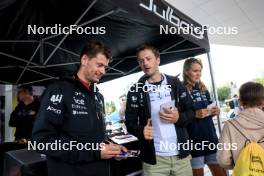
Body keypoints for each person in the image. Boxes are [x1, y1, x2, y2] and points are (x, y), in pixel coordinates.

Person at [32, 40, 126, 176]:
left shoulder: (98, 96)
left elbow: (92, 136)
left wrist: (111, 149)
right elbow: (42, 140)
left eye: (105, 67)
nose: (103, 71)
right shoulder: (59, 89)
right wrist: (94, 152)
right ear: (84, 59)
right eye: (99, 65)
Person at [125, 45, 195, 176]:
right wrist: (141, 131)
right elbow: (129, 123)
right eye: (141, 61)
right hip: (154, 162)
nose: (145, 63)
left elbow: (192, 112)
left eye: (148, 58)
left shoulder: (175, 83)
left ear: (158, 60)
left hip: (181, 158)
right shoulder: (135, 90)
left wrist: (178, 118)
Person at [182, 58, 226, 176]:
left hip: (210, 138)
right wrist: (194, 114)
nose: (198, 74)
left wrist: (215, 111)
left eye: (200, 71)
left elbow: (208, 110)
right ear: (186, 71)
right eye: (195, 71)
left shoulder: (203, 88)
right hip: (193, 142)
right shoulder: (180, 89)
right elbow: (178, 118)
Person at [217, 82, 264, 169]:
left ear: (240, 102)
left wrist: (238, 166)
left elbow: (223, 160)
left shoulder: (229, 125)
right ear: (263, 103)